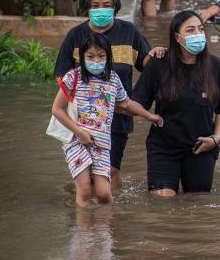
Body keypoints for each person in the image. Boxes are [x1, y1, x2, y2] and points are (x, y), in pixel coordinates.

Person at [54, 0, 164, 191]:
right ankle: (86, 215)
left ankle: (112, 212)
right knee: (86, 173)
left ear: (115, 7)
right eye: (95, 5)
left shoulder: (129, 32)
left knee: (110, 170)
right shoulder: (75, 36)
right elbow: (62, 77)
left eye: (106, 5)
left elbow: (146, 66)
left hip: (117, 116)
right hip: (82, 120)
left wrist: (156, 54)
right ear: (87, 7)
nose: (100, 9)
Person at [130, 11, 220, 196]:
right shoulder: (159, 65)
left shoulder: (216, 67)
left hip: (200, 147)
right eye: (190, 30)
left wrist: (216, 139)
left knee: (197, 203)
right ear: (177, 37)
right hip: (163, 147)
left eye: (200, 29)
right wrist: (148, 116)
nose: (197, 34)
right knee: (162, 198)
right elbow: (136, 103)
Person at [52, 34, 164, 207]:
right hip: (76, 140)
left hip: (102, 142)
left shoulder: (113, 79)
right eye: (90, 56)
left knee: (104, 194)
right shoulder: (73, 78)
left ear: (108, 57)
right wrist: (79, 132)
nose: (95, 60)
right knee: (84, 190)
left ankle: (104, 232)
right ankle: (83, 233)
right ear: (82, 57)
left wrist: (148, 115)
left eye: (101, 56)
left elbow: (126, 104)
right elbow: (57, 109)